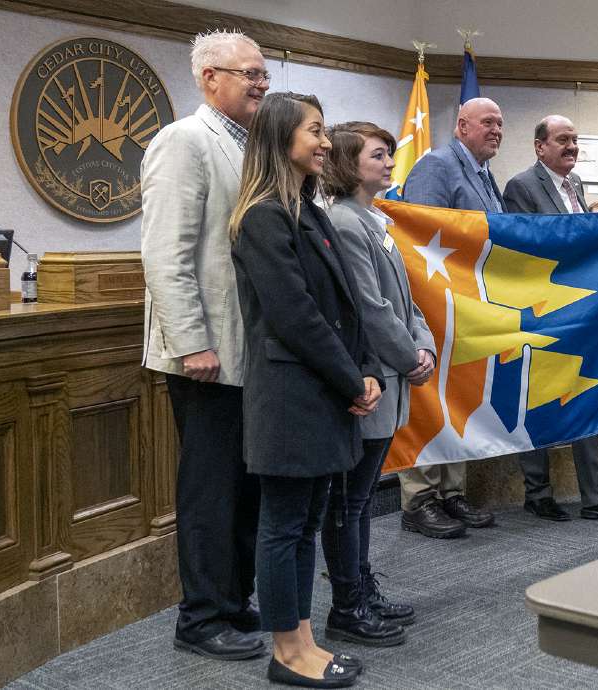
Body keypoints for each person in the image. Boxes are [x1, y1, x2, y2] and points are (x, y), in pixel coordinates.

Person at [230, 92, 382, 688]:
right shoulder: (263, 215)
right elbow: (294, 317)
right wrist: (352, 377)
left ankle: (305, 637)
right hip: (293, 396)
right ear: (280, 138)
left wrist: (363, 370)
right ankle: (286, 651)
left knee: (310, 518)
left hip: (324, 391)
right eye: (315, 131)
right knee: (284, 525)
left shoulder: (307, 208)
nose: (325, 142)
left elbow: (342, 306)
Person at [139, 29, 266, 661]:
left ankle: (235, 601)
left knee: (245, 487)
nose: (260, 83)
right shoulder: (184, 140)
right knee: (211, 489)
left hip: (248, 354)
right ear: (209, 78)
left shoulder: (250, 146)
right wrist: (192, 342)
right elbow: (165, 254)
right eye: (247, 73)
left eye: (262, 73)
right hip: (206, 355)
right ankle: (201, 617)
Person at [319, 121, 436, 644]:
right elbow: (369, 307)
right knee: (349, 500)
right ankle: (348, 603)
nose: (390, 163)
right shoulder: (345, 222)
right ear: (346, 162)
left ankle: (362, 590)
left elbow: (405, 301)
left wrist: (423, 344)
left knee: (363, 499)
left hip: (394, 372)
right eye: (379, 155)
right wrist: (408, 355)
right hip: (373, 377)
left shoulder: (374, 217)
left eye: (389, 154)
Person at [501, 115, 598, 523]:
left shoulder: (577, 186)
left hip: (581, 311)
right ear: (539, 147)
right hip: (541, 313)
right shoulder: (522, 186)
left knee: (586, 398)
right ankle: (538, 493)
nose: (572, 147)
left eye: (575, 140)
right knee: (536, 403)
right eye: (562, 139)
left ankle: (597, 497)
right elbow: (524, 244)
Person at [397, 97, 504, 538]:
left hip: (469, 308)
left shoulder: (485, 174)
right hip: (436, 306)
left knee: (458, 397)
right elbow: (419, 237)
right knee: (430, 397)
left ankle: (451, 493)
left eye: (500, 124)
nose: (497, 130)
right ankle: (419, 498)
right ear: (461, 125)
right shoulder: (435, 166)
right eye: (488, 123)